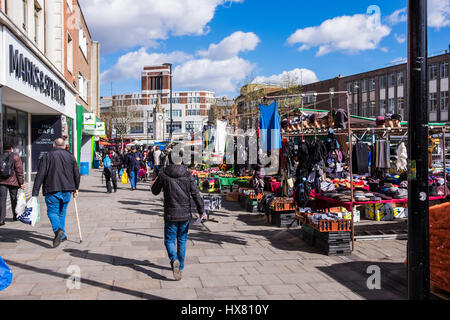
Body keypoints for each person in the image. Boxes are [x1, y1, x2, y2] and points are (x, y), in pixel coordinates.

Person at [151, 150, 206, 281]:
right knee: (182, 240)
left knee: (169, 240)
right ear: (181, 160)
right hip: (185, 214)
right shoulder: (188, 175)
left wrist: (155, 183)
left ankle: (174, 259)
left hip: (170, 213)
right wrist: (201, 211)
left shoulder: (163, 174)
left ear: (169, 160)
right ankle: (180, 266)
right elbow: (196, 194)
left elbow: (155, 191)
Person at [32, 138, 80, 248]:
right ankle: (62, 235)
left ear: (54, 145)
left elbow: (40, 175)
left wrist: (35, 192)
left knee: (52, 212)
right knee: (62, 212)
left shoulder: (47, 156)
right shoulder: (70, 156)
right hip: (67, 189)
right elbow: (76, 173)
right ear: (64, 146)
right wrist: (76, 187)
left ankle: (58, 230)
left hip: (52, 188)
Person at [0, 144, 25, 226]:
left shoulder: (0, 156)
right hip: (13, 182)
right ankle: (15, 216)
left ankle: (1, 219)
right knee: (14, 198)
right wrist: (21, 183)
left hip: (2, 181)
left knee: (2, 200)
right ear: (11, 148)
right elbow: (19, 171)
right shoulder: (15, 156)